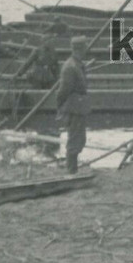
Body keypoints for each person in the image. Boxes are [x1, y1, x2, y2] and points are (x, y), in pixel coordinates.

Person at [55, 37, 91, 173]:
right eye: (85, 47)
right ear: (80, 48)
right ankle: (71, 171)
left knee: (79, 139)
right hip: (74, 108)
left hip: (79, 107)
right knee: (74, 140)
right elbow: (63, 90)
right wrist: (60, 107)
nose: (87, 49)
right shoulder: (71, 67)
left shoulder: (77, 64)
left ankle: (72, 170)